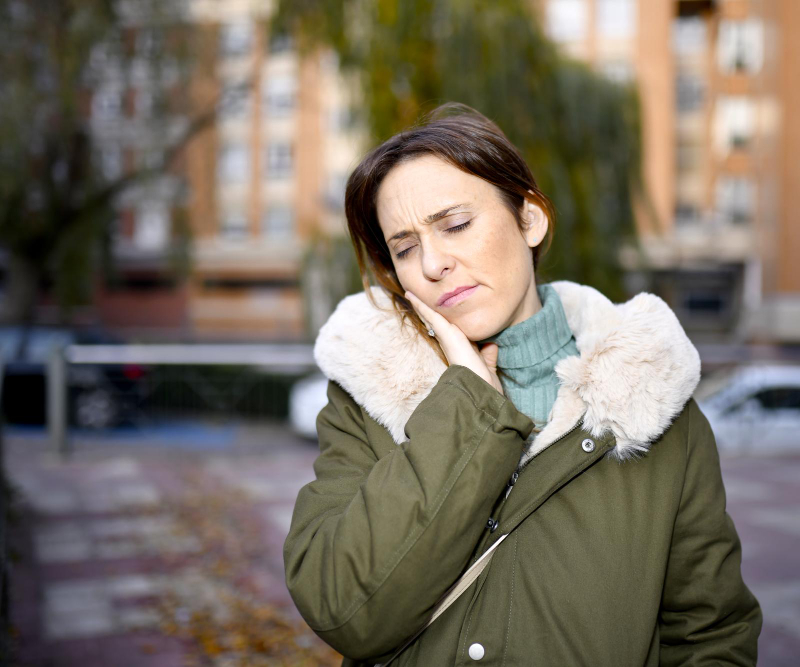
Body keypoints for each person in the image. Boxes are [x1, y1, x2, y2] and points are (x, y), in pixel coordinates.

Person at [283, 102, 762, 666]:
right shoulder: (367, 395)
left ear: (530, 219)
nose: (433, 264)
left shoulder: (652, 402)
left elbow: (710, 636)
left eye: (455, 225)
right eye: (405, 248)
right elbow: (339, 606)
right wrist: (466, 409)